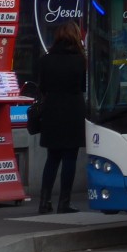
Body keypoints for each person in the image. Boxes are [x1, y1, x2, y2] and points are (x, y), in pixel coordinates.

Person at [35, 21, 87, 214]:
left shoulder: (46, 59)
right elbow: (81, 86)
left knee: (52, 158)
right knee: (70, 158)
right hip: (73, 110)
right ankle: (64, 202)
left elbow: (43, 87)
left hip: (52, 111)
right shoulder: (80, 60)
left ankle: (44, 201)